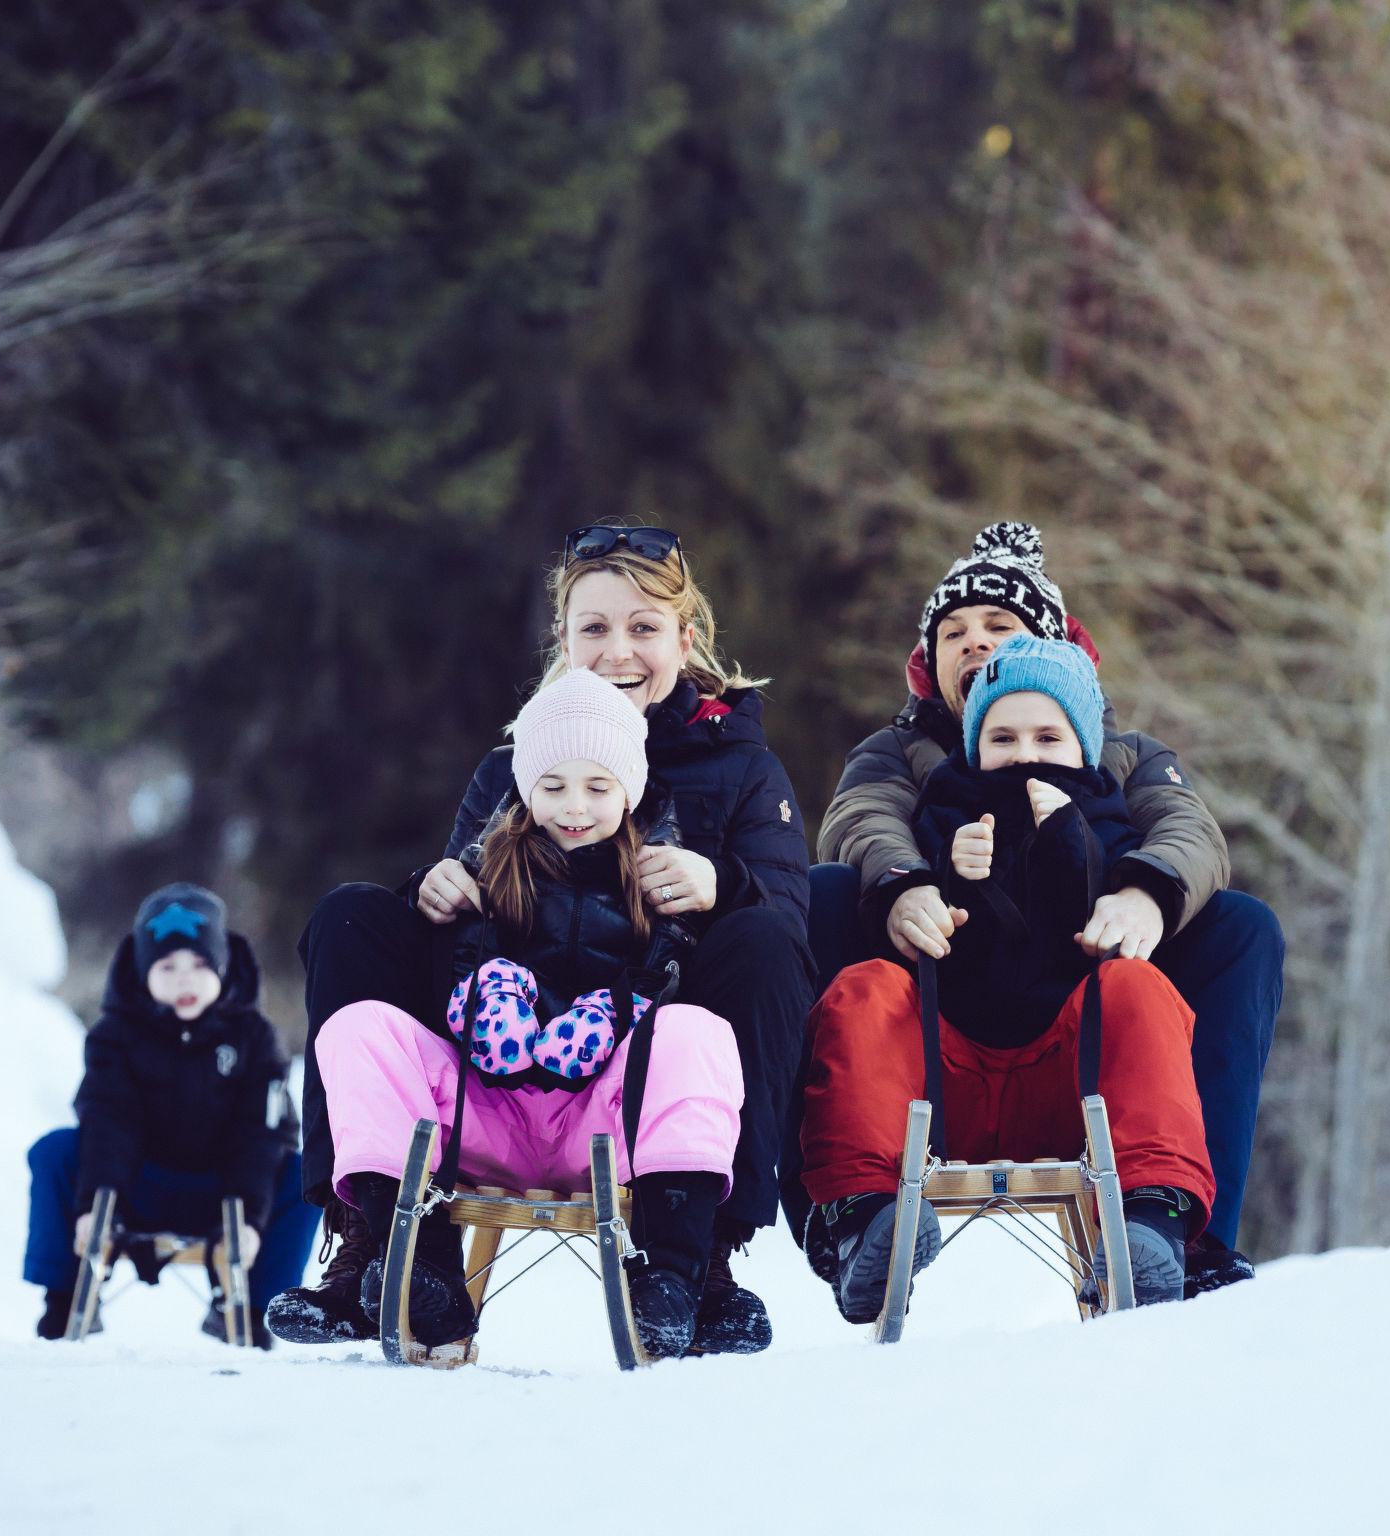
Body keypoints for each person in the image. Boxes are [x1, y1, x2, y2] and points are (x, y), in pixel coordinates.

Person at [271, 525, 812, 1353]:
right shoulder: (513, 766)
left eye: (643, 628)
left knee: (768, 943)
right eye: (594, 627)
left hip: (647, 1050)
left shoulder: (739, 767)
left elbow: (793, 913)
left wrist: (724, 884)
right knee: (351, 914)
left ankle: (700, 1258)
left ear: (685, 639)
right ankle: (378, 1243)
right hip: (498, 1053)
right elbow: (466, 909)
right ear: (563, 640)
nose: (618, 650)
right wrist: (432, 889)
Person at [814, 521, 1282, 1289]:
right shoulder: (901, 756)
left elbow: (1188, 829)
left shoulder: (1120, 754)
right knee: (828, 895)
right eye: (953, 632)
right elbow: (860, 820)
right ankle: (848, 1209)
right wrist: (909, 883)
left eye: (1000, 626)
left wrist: (1145, 894)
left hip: (1081, 1027)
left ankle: (1179, 1228)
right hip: (942, 1022)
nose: (975, 643)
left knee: (1241, 928)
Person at [314, 667, 745, 1357]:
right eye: (553, 786)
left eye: (598, 787)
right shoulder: (489, 863)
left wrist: (619, 1007)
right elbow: (447, 972)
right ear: (523, 787)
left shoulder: (658, 872)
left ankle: (670, 1278)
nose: (574, 806)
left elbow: (672, 975)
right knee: (359, 1028)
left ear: (630, 791)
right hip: (488, 1113)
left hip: (602, 1121)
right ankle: (425, 1269)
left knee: (697, 1035)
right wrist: (487, 989)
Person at [802, 637, 1215, 1316]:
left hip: (1070, 1082)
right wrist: (940, 874)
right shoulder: (945, 799)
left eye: (1048, 736)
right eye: (1003, 736)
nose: (1025, 753)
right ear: (974, 744)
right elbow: (906, 870)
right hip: (944, 1078)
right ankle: (864, 1217)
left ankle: (1152, 1218)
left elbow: (1110, 894)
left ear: (1083, 746)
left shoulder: (1108, 809)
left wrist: (1078, 844)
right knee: (867, 990)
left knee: (1139, 990)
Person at [25, 883, 312, 1348]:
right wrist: (91, 1205)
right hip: (139, 1186)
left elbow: (263, 1132)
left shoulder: (254, 1039)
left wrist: (250, 1219)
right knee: (55, 1150)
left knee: (301, 1174)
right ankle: (65, 1295)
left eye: (199, 965)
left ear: (221, 965)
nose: (185, 979)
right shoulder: (115, 1036)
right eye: (167, 966)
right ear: (142, 973)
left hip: (224, 1193)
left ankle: (253, 1308)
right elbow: (107, 1120)